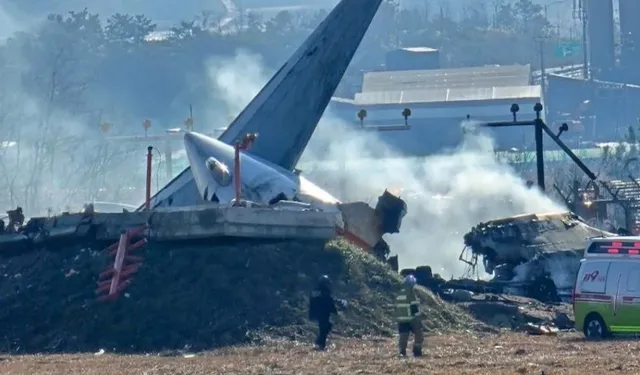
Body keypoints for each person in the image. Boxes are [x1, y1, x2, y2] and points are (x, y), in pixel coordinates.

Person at [309, 275, 343, 351]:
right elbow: (329, 301)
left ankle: (320, 343)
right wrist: (334, 310)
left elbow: (312, 302)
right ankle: (320, 343)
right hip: (323, 313)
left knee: (324, 327)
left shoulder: (316, 291)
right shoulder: (324, 292)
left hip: (318, 313)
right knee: (325, 328)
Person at [394, 274, 424, 357]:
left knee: (403, 337)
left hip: (401, 320)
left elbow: (396, 307)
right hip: (411, 319)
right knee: (419, 334)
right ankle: (417, 351)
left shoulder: (399, 293)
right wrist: (419, 319)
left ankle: (402, 352)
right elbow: (414, 309)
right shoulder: (411, 293)